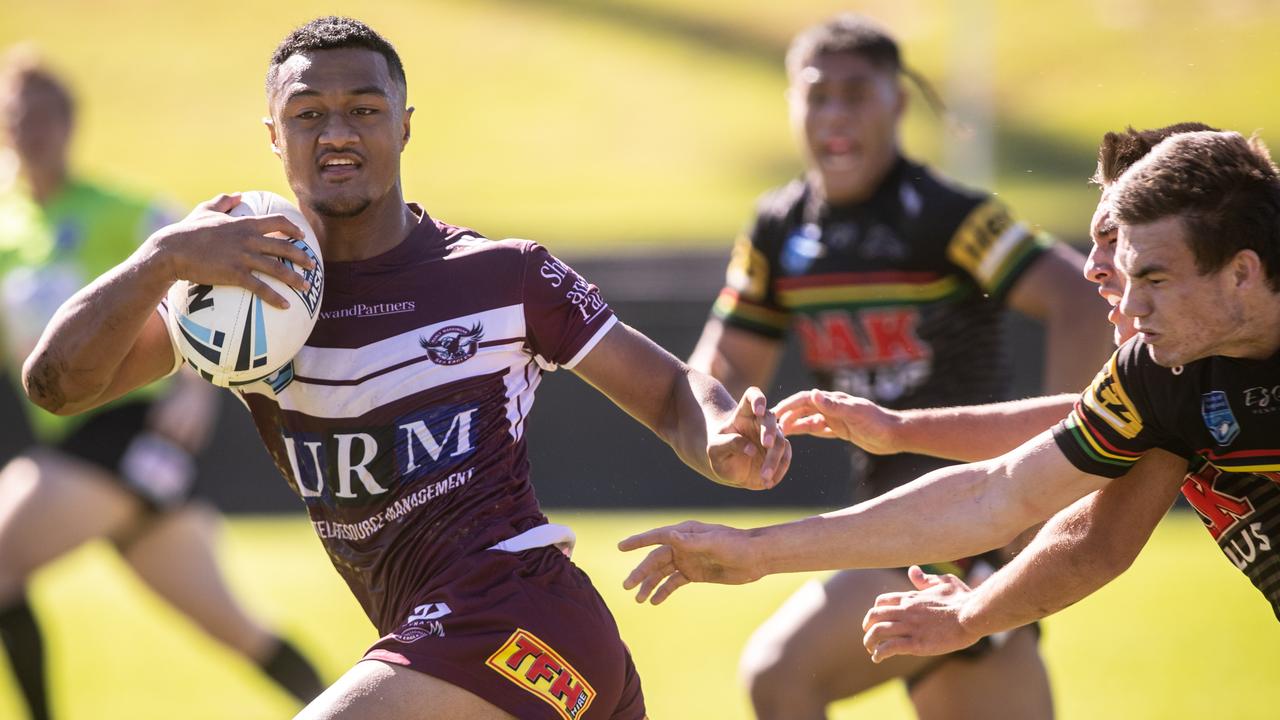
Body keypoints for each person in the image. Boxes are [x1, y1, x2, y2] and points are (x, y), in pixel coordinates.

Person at [20, 17, 791, 720]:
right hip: (448, 655)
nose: (337, 133)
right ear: (273, 135)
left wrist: (721, 433)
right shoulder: (246, 298)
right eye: (307, 113)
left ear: (405, 125)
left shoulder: (504, 277)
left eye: (364, 108)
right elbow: (58, 386)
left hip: (521, 621)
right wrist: (161, 259)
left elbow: (667, 392)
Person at [621, 129, 1280, 661]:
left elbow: (1086, 531)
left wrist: (971, 610)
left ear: (1240, 272)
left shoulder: (1166, 359)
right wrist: (757, 550)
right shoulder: (1162, 370)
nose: (1102, 277)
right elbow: (1004, 492)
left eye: (1148, 269)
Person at [686, 14, 1109, 719]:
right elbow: (726, 359)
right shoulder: (778, 227)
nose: (835, 115)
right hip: (897, 520)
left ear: (899, 104)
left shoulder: (947, 215)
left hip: (967, 513)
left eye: (856, 93)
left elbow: (1082, 303)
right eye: (817, 96)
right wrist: (726, 423)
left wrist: (1055, 475)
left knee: (778, 674)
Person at [0, 51, 326, 717]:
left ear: (69, 124)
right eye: (15, 119)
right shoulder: (5, 229)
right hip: (78, 446)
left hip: (127, 433)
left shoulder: (125, 210)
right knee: (238, 630)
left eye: (43, 117)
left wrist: (191, 394)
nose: (30, 132)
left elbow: (204, 290)